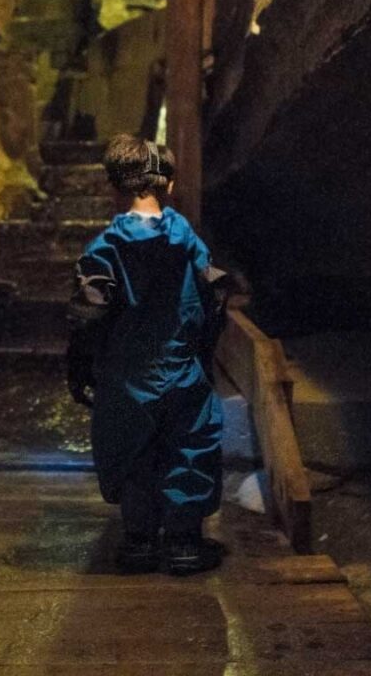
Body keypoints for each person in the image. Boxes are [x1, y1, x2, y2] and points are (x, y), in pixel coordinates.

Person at [66, 133, 228, 576]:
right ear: (169, 186)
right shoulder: (191, 244)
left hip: (126, 377)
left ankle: (139, 543)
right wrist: (203, 351)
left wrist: (79, 367)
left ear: (113, 187)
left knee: (134, 452)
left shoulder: (104, 250)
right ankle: (183, 544)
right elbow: (213, 299)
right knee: (189, 448)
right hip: (182, 370)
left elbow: (88, 314)